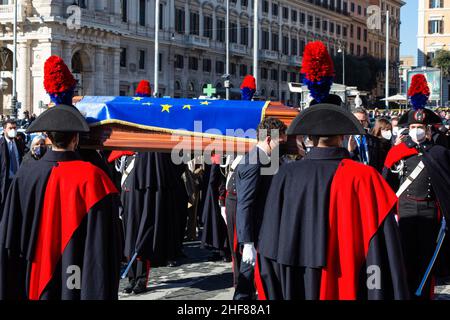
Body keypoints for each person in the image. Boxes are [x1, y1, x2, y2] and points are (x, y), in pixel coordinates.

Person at [255, 103, 409, 300]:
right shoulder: (364, 176)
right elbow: (382, 243)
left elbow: (270, 239)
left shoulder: (286, 174)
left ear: (309, 138)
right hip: (350, 276)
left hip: (297, 277)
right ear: (343, 137)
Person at [0, 103, 123, 300]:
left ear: (48, 138)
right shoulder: (94, 179)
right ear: (76, 139)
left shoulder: (25, 175)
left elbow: (9, 238)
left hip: (33, 275)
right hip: (76, 276)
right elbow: (103, 247)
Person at [382, 74, 450, 300]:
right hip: (406, 209)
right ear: (407, 128)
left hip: (431, 212)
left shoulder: (439, 152)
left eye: (420, 126)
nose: (417, 129)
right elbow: (386, 184)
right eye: (413, 125)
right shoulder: (397, 152)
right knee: (404, 257)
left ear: (427, 127)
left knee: (426, 258)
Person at [233, 117, 287, 300]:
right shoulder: (254, 161)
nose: (283, 147)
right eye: (281, 142)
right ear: (269, 139)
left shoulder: (266, 159)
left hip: (265, 228)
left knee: (258, 280)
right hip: (256, 231)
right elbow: (245, 203)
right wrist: (247, 242)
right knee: (246, 282)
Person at [347, 107, 386, 173]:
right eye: (357, 120)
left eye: (363, 120)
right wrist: (350, 152)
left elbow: (379, 162)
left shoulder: (374, 140)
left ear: (367, 121)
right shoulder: (344, 139)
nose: (360, 123)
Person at [0, 119, 25, 215]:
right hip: (5, 182)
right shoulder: (1, 144)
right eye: (10, 128)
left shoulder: (19, 143)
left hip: (17, 181)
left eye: (14, 128)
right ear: (4, 129)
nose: (13, 130)